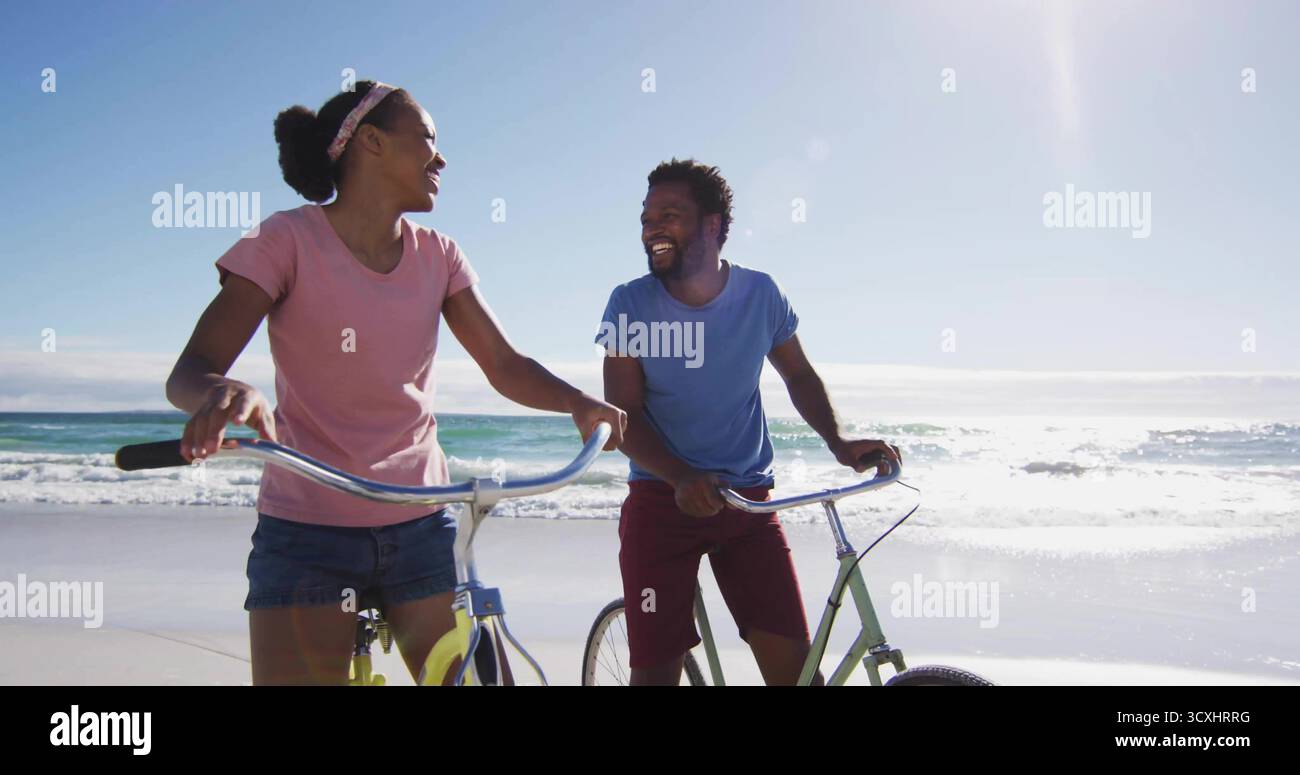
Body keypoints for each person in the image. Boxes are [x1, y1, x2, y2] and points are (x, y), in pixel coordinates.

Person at [165, 80, 626, 685]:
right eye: (428, 140)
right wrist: (223, 392)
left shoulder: (440, 255)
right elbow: (190, 370)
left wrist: (577, 402)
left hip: (420, 521)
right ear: (371, 142)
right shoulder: (284, 239)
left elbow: (504, 364)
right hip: (306, 530)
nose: (441, 158)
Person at [599, 158, 899, 685]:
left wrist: (839, 441)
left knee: (797, 675)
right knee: (655, 675)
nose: (651, 230)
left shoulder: (761, 295)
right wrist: (680, 478)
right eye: (646, 218)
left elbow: (800, 375)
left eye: (668, 215)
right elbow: (626, 414)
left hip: (748, 504)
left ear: (712, 225)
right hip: (660, 504)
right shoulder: (630, 304)